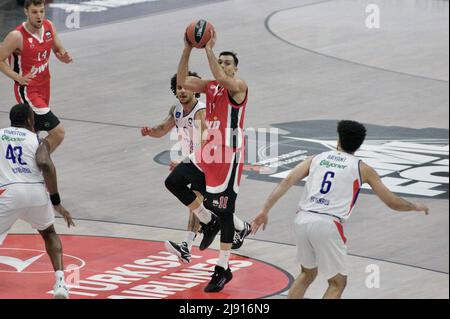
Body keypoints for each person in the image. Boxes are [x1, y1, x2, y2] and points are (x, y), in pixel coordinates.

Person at [251, 120, 429, 299]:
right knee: (337, 282)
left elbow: (287, 180)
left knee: (307, 274)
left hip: (302, 219)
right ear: (359, 145)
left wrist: (264, 210)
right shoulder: (362, 168)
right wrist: (414, 206)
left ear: (338, 140)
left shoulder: (317, 158)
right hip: (327, 224)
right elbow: (392, 202)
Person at [164, 30, 251, 292]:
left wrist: (209, 49)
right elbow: (181, 81)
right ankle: (206, 220)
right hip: (206, 153)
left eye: (227, 63)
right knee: (174, 181)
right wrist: (188, 47)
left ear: (235, 70)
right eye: (220, 61)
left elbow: (223, 78)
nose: (222, 66)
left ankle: (222, 269)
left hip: (227, 155)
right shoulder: (210, 87)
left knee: (224, 209)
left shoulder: (239, 87)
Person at [141, 72, 250, 264]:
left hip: (208, 161)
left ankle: (187, 246)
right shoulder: (176, 110)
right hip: (197, 161)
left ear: (195, 90)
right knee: (208, 203)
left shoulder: (201, 111)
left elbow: (205, 140)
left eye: (185, 87)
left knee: (199, 199)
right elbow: (163, 128)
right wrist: (150, 131)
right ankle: (242, 227)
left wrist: (188, 161)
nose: (182, 91)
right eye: (179, 88)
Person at [0, 103, 75, 299]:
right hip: (36, 192)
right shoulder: (36, 139)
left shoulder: (0, 135)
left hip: (9, 193)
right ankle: (60, 283)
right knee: (49, 233)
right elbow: (44, 163)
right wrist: (56, 200)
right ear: (29, 120)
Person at [0, 0, 73, 154]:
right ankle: (36, 163)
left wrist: (62, 55)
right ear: (26, 12)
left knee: (33, 132)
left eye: (41, 11)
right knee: (58, 132)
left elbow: (57, 48)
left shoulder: (49, 26)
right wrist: (17, 77)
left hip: (45, 86)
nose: (39, 16)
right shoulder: (17, 36)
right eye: (34, 12)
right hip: (28, 90)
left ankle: (22, 165)